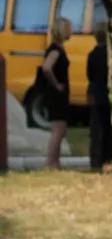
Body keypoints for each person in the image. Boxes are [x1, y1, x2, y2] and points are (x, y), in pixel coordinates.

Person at [42, 17, 71, 169]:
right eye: (69, 28)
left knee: (61, 130)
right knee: (58, 130)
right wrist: (56, 85)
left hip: (60, 95)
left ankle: (55, 163)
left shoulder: (59, 48)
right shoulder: (55, 50)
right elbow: (46, 67)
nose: (71, 31)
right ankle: (50, 163)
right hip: (56, 95)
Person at [87, 21, 112, 170]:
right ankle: (108, 157)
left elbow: (90, 76)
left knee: (96, 130)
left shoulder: (92, 54)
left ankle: (96, 159)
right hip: (107, 93)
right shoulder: (109, 54)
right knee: (108, 129)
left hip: (96, 93)